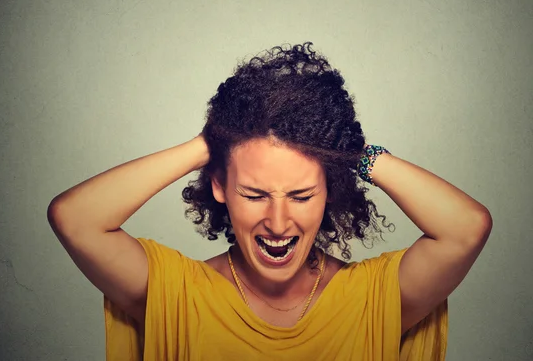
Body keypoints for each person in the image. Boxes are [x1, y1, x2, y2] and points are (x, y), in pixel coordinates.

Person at [48, 42, 492, 361]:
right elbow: (74, 218)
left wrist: (349, 152)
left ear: (330, 191)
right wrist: (213, 144)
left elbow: (466, 228)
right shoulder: (175, 294)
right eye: (255, 194)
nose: (278, 223)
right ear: (219, 186)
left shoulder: (374, 299)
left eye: (301, 195)